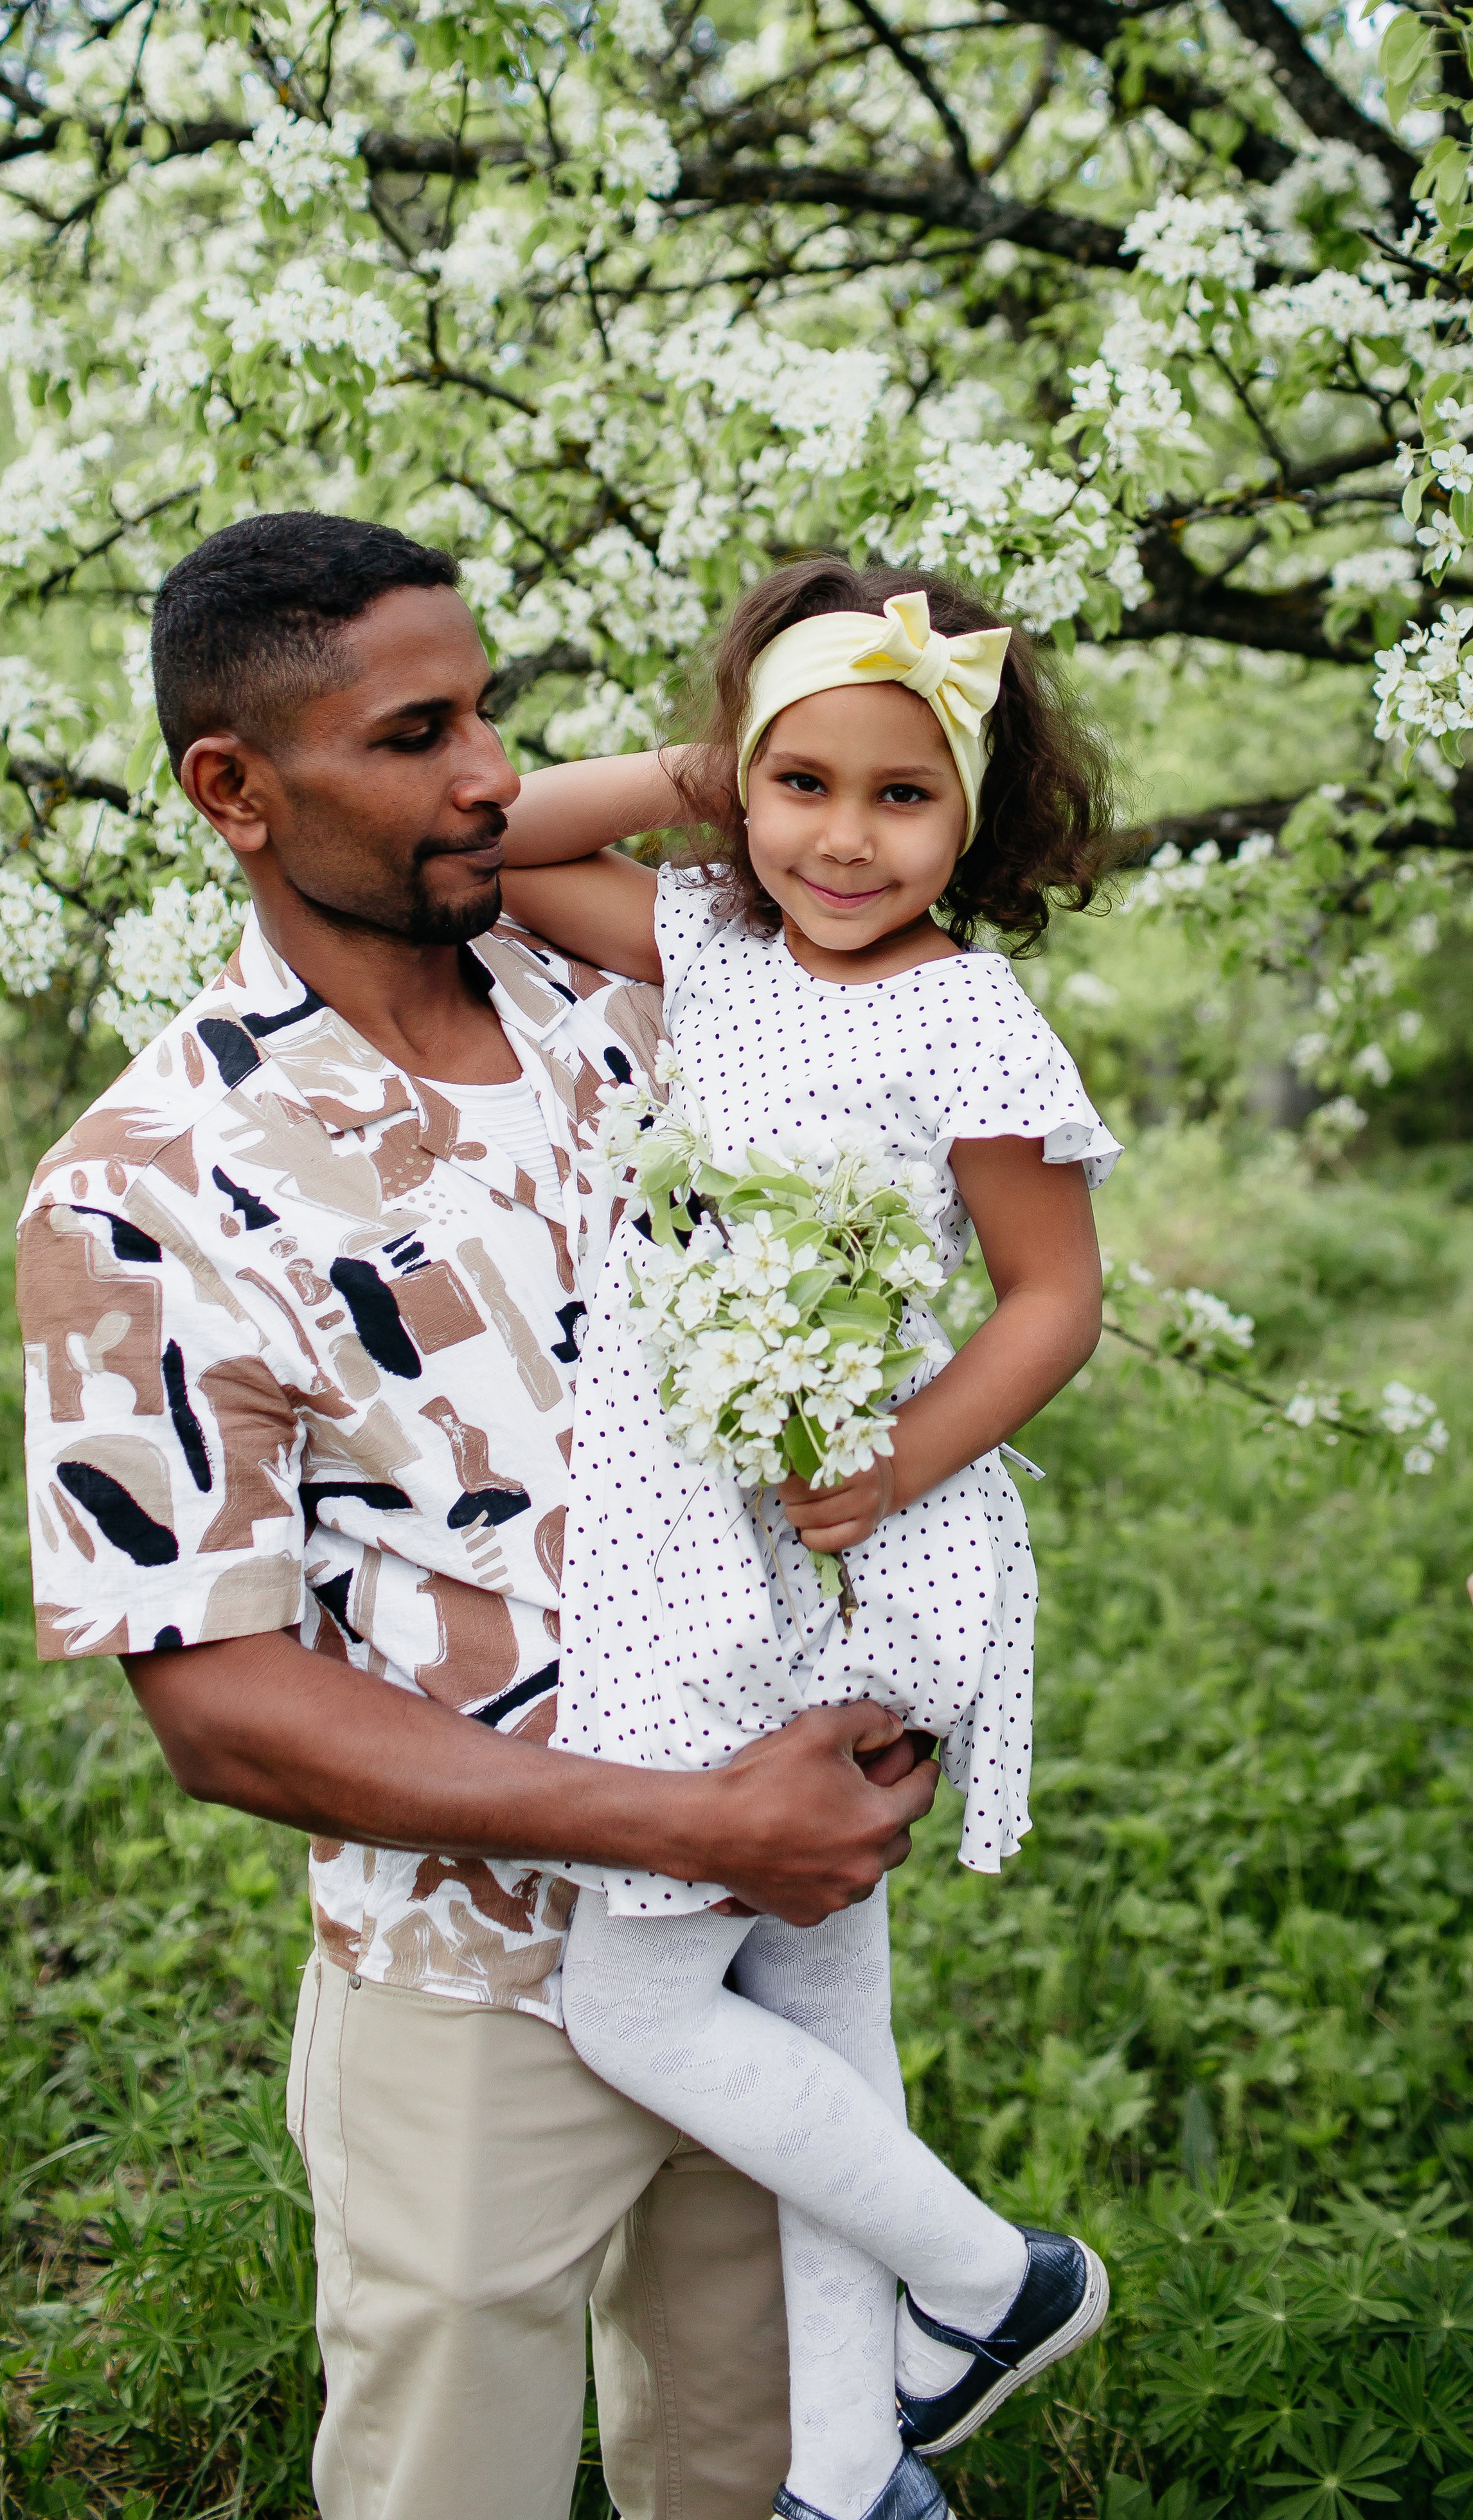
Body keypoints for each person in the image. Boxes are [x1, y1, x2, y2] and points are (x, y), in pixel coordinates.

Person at [14, 514, 944, 2520]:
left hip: (765, 1946)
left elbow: (849, 879)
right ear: (234, 791)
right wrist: (690, 1825)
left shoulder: (635, 1000)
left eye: (490, 713)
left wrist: (887, 1690)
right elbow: (220, 1707)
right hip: (470, 1991)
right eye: (414, 735)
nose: (493, 774)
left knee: (760, 2470)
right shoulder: (144, 1190)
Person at [496, 559, 1122, 2520]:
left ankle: (991, 2280)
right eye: (804, 785)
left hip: (858, 1550)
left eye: (902, 795)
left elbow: (1054, 1298)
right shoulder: (713, 939)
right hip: (712, 1540)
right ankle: (850, 2478)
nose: (846, 840)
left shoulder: (969, 1015)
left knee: (634, 2002)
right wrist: (709, 765)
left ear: (975, 815)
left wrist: (901, 1460)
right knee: (828, 2018)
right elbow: (505, 840)